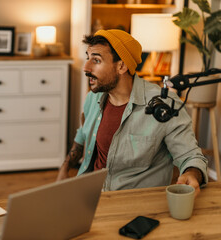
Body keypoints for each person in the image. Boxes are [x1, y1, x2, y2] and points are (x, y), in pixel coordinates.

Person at [57, 29, 208, 196]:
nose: (86, 67)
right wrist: (65, 168)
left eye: (96, 60)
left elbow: (190, 155)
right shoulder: (93, 98)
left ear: (121, 66)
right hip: (90, 195)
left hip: (134, 204)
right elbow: (83, 134)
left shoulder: (163, 106)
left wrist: (191, 174)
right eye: (88, 58)